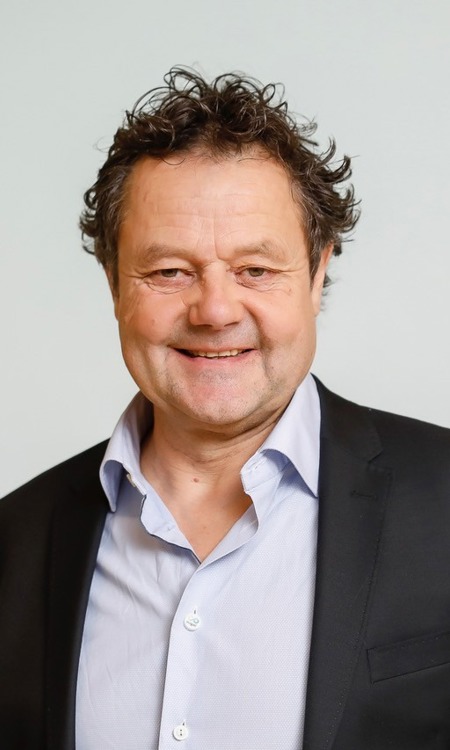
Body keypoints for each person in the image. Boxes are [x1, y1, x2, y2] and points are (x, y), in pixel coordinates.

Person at [1, 68, 449, 750]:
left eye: (255, 270)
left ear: (318, 273)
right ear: (113, 282)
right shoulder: (14, 544)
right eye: (169, 271)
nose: (214, 310)